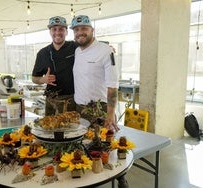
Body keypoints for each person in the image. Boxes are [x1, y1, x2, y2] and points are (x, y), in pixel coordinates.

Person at [70, 15, 127, 188]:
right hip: (80, 109)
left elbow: (112, 86)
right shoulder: (77, 51)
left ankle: (120, 178)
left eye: (84, 29)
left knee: (106, 149)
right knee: (85, 149)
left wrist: (110, 114)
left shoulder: (105, 51)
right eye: (77, 30)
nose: (80, 32)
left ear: (92, 30)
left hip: (100, 110)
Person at [32, 16, 77, 115]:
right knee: (50, 128)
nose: (57, 32)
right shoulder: (42, 53)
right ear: (50, 32)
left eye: (61, 29)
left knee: (69, 129)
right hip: (51, 100)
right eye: (54, 29)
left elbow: (90, 46)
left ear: (66, 32)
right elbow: (34, 78)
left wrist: (106, 48)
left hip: (71, 99)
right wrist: (43, 80)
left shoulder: (75, 47)